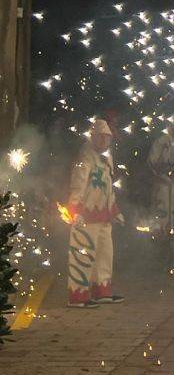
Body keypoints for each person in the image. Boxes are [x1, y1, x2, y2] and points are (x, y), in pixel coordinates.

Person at [65, 118, 124, 308]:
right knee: (83, 254)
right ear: (93, 137)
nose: (104, 141)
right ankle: (78, 295)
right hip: (86, 216)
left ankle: (102, 290)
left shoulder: (107, 159)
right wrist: (74, 209)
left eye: (107, 138)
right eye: (101, 137)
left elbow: (109, 187)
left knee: (105, 254)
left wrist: (114, 210)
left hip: (104, 216)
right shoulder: (85, 158)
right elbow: (78, 185)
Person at [147, 125, 174, 239]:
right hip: (162, 180)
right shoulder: (160, 141)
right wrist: (160, 172)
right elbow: (152, 160)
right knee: (161, 206)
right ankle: (156, 232)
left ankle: (169, 231)